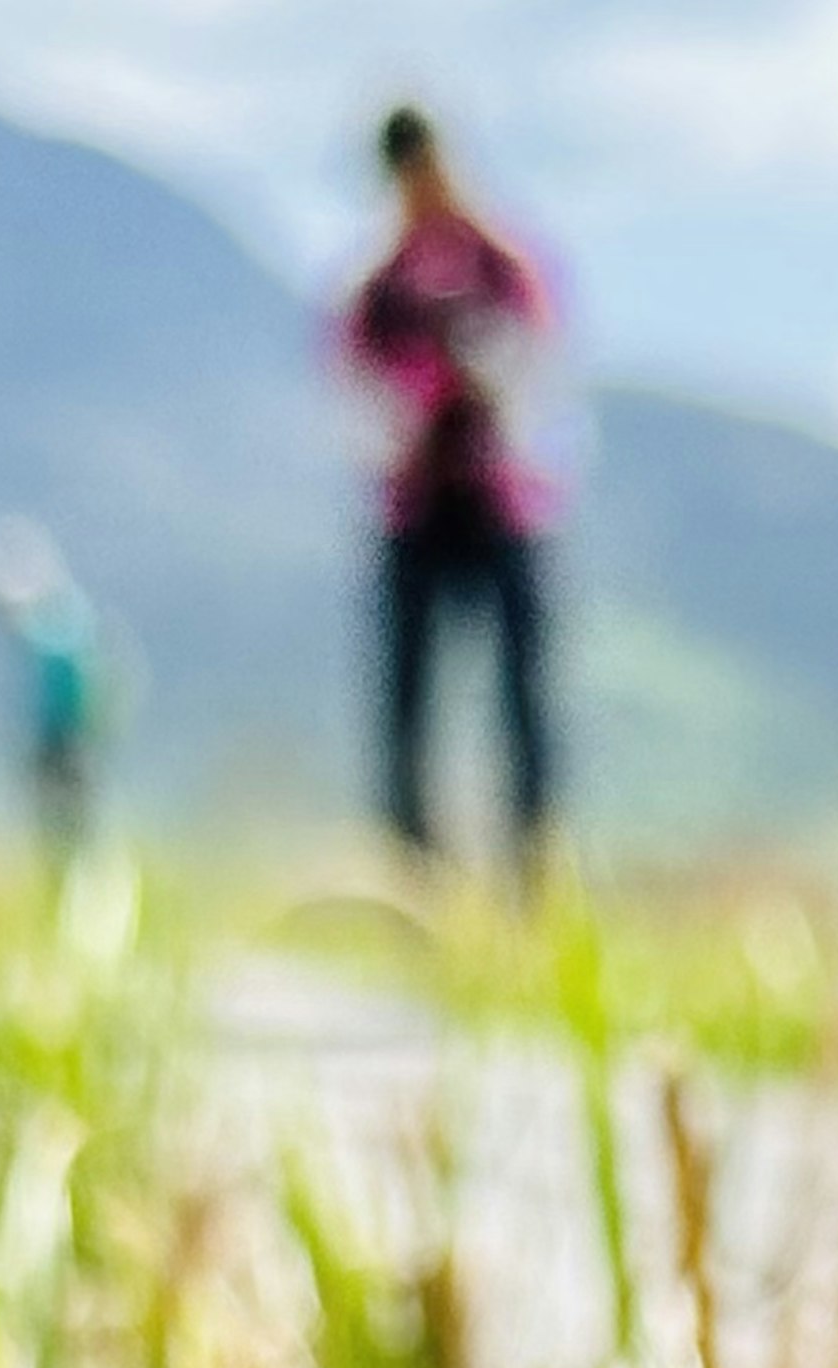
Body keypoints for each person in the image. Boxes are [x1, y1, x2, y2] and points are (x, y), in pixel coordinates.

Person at [337, 106, 557, 877]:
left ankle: (529, 861)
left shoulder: (500, 264)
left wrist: (484, 382)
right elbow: (355, 392)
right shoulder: (377, 287)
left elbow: (538, 361)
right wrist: (413, 417)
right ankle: (414, 864)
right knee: (408, 699)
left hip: (500, 499)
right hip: (418, 506)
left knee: (522, 694)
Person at [0, 515, 120, 851]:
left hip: (63, 742)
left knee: (63, 816)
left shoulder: (53, 626)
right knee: (70, 816)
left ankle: (73, 869)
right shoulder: (72, 619)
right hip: (74, 740)